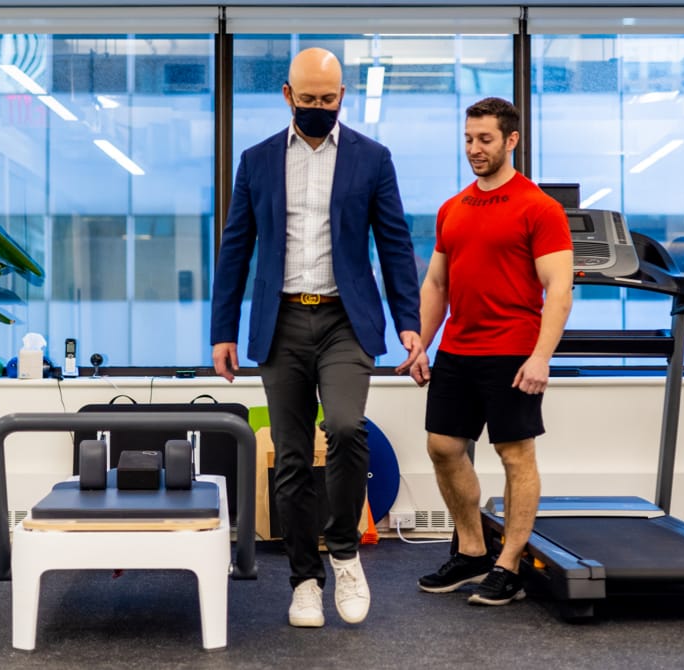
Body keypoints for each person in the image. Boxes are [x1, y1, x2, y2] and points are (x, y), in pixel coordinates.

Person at [211, 47, 422, 627]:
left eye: (328, 101)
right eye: (308, 101)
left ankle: (346, 554)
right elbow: (236, 250)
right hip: (280, 321)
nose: (318, 109)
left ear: (342, 97)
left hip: (344, 320)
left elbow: (395, 243)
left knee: (349, 428)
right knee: (293, 456)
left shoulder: (371, 159)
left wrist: (410, 321)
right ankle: (305, 578)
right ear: (287, 97)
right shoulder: (256, 162)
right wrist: (222, 331)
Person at [408, 97, 573, 606]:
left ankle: (510, 564)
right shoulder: (452, 208)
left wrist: (541, 356)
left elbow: (559, 289)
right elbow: (436, 282)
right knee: (442, 447)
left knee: (515, 455)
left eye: (485, 139)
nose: (474, 149)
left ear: (511, 141)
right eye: (468, 139)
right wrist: (422, 342)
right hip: (459, 348)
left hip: (512, 351)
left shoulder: (539, 208)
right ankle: (474, 549)